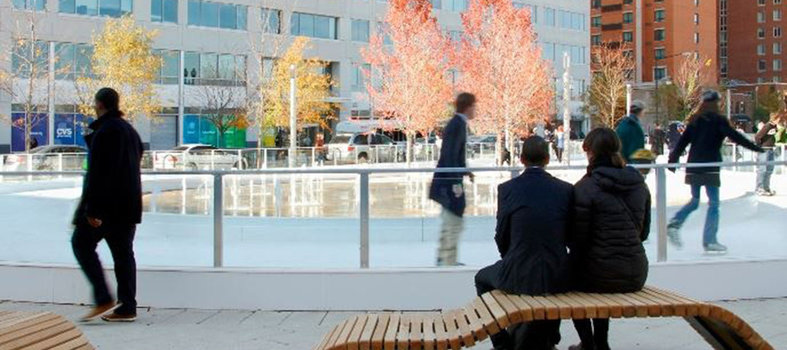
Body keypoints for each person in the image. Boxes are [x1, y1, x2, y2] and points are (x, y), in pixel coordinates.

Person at [475, 136, 573, 350]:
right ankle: (550, 338)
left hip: (519, 270)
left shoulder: (508, 189)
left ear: (521, 159)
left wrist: (511, 258)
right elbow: (569, 235)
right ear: (548, 159)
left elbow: (501, 234)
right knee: (549, 289)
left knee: (481, 280)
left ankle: (502, 344)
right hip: (557, 272)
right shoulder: (565, 189)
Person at [569, 127, 651, 350]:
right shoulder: (639, 185)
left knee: (574, 277)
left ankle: (589, 343)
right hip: (636, 273)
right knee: (598, 269)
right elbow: (643, 234)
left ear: (590, 153)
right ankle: (601, 342)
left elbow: (578, 241)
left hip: (598, 275)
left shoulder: (585, 188)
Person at [72, 87, 144, 322]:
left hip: (107, 207)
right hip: (128, 204)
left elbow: (98, 174)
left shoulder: (105, 131)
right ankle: (127, 307)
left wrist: (91, 210)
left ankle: (104, 297)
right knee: (124, 254)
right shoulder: (131, 131)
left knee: (81, 243)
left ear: (99, 104)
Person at [667, 90, 764, 253]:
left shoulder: (695, 121)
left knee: (695, 200)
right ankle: (709, 240)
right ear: (716, 103)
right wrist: (756, 148)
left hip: (694, 167)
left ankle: (676, 222)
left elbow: (682, 143)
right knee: (714, 204)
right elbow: (736, 137)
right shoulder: (718, 121)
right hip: (710, 167)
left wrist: (673, 161)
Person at [429, 92, 475, 267]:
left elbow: (455, 154)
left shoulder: (458, 124)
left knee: (452, 218)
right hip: (449, 183)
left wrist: (465, 171)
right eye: (474, 106)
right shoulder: (457, 125)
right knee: (453, 219)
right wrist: (456, 180)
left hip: (450, 180)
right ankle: (447, 260)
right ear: (468, 106)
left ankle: (446, 257)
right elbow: (450, 155)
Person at [755, 113, 782, 196]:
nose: (779, 120)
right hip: (764, 150)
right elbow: (757, 137)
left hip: (770, 149)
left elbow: (775, 136)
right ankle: (759, 188)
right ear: (775, 119)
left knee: (769, 169)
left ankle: (766, 188)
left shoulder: (774, 127)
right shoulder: (767, 126)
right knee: (762, 169)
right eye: (778, 119)